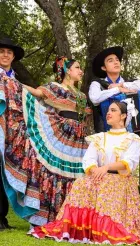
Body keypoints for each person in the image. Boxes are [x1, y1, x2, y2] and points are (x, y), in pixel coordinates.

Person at [29, 101, 140, 244]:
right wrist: (95, 170)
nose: (108, 113)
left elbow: (129, 162)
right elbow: (89, 159)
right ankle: (80, 226)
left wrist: (105, 168)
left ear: (123, 115)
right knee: (81, 183)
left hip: (120, 179)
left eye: (113, 110)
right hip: (98, 175)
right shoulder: (99, 137)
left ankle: (105, 227)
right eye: (108, 110)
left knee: (107, 185)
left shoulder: (133, 139)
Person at [0, 56, 91, 226]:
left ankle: (72, 214)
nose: (80, 71)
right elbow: (36, 93)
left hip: (78, 137)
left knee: (76, 173)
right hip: (60, 133)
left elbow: (83, 117)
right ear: (67, 70)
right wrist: (11, 81)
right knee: (55, 170)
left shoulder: (81, 95)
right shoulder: (54, 87)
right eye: (77, 67)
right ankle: (50, 214)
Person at [89, 46, 140, 210]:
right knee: (111, 152)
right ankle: (108, 198)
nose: (116, 62)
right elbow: (95, 99)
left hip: (135, 130)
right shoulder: (98, 84)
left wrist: (123, 85)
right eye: (110, 61)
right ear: (104, 67)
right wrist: (117, 90)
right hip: (110, 131)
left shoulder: (131, 81)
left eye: (117, 60)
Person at [0, 36, 24, 230]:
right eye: (1, 52)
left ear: (13, 56)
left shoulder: (16, 80)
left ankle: (2, 217)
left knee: (5, 172)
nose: (5, 55)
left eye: (9, 52)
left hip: (12, 131)